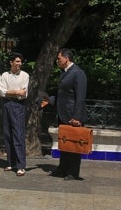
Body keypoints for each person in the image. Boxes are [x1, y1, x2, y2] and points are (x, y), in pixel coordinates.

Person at [43, 48, 88, 181]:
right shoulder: (64, 73)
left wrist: (77, 117)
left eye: (59, 58)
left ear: (67, 58)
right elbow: (61, 94)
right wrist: (49, 100)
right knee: (65, 144)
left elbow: (80, 97)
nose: (58, 61)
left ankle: (73, 172)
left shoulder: (78, 73)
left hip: (73, 116)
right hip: (63, 115)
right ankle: (63, 168)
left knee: (74, 145)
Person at [0, 52, 29, 176]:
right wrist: (16, 91)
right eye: (16, 61)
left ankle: (21, 165)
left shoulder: (24, 75)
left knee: (18, 134)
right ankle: (11, 162)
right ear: (11, 62)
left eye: (20, 62)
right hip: (6, 105)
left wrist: (11, 92)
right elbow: (2, 92)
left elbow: (24, 94)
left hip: (18, 106)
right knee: (7, 134)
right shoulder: (5, 75)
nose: (19, 64)